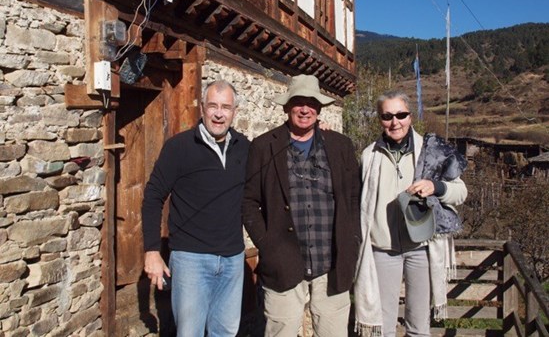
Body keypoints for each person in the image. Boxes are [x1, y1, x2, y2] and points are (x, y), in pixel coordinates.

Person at [242, 74, 361, 337]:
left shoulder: (340, 146)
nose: (305, 109)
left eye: (311, 102)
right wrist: (267, 243)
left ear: (319, 109)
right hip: (283, 264)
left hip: (332, 264)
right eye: (298, 102)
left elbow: (354, 198)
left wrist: (352, 239)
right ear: (287, 107)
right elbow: (249, 202)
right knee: (280, 332)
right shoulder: (263, 146)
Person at [354, 90, 468, 337]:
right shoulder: (369, 155)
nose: (395, 122)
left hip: (421, 248)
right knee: (382, 328)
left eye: (401, 114)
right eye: (387, 116)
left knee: (419, 326)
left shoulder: (431, 152)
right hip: (383, 249)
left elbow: (461, 192)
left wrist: (435, 187)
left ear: (410, 116)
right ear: (379, 119)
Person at [142, 80, 249, 337]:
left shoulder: (245, 148)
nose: (219, 113)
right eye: (213, 106)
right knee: (189, 333)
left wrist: (318, 130)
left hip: (233, 260)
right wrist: (152, 251)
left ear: (235, 111)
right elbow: (153, 197)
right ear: (202, 108)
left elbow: (276, 154)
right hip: (191, 260)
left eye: (226, 107)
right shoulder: (179, 148)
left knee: (224, 333)